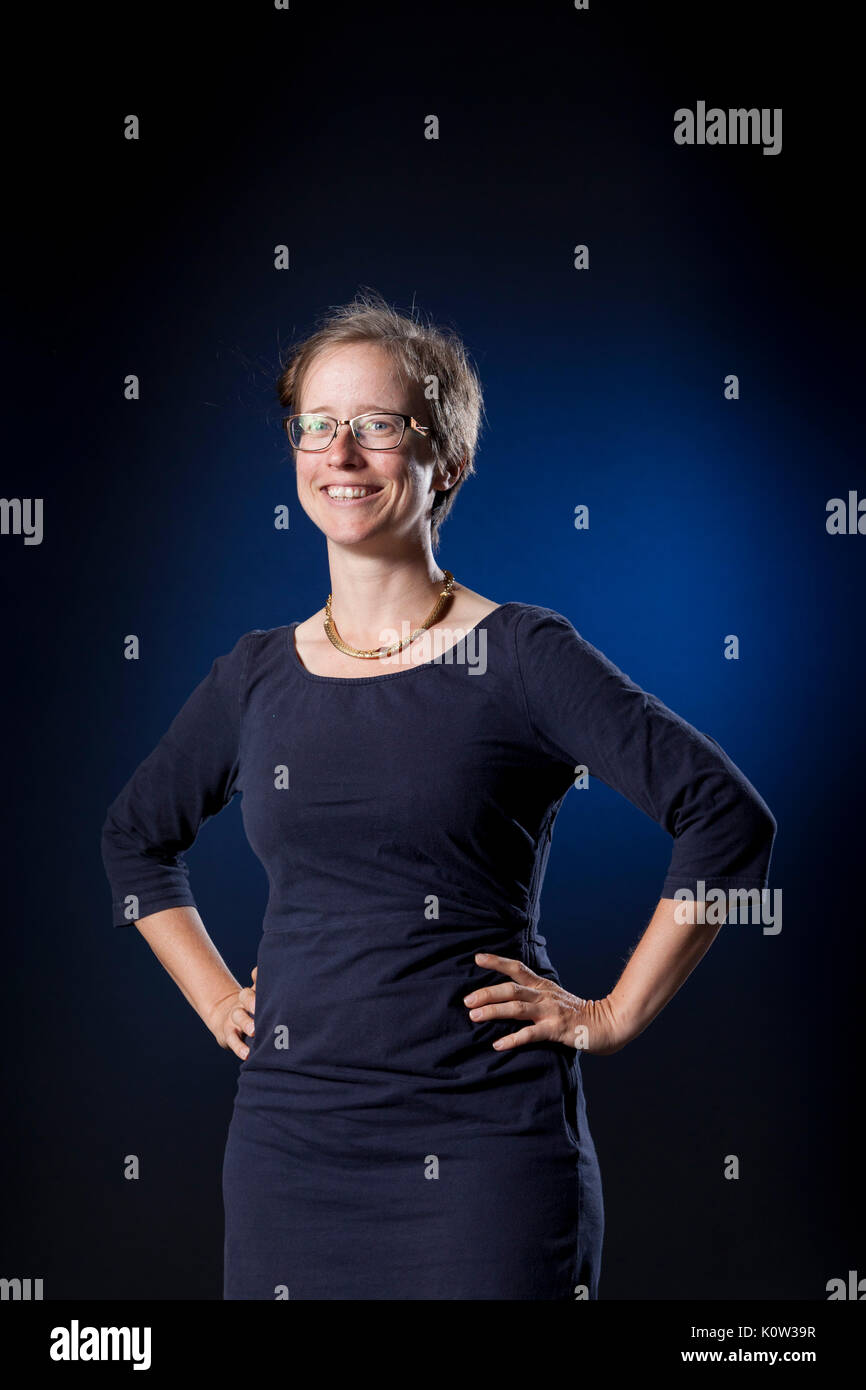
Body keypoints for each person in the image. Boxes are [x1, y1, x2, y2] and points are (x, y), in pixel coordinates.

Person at [100, 289, 777, 1300]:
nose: (340, 453)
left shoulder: (522, 655)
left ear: (443, 461)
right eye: (316, 426)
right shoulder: (253, 677)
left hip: (482, 1156)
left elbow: (726, 821)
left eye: (377, 426)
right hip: (289, 1154)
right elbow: (134, 840)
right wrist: (214, 998)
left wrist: (611, 1014)